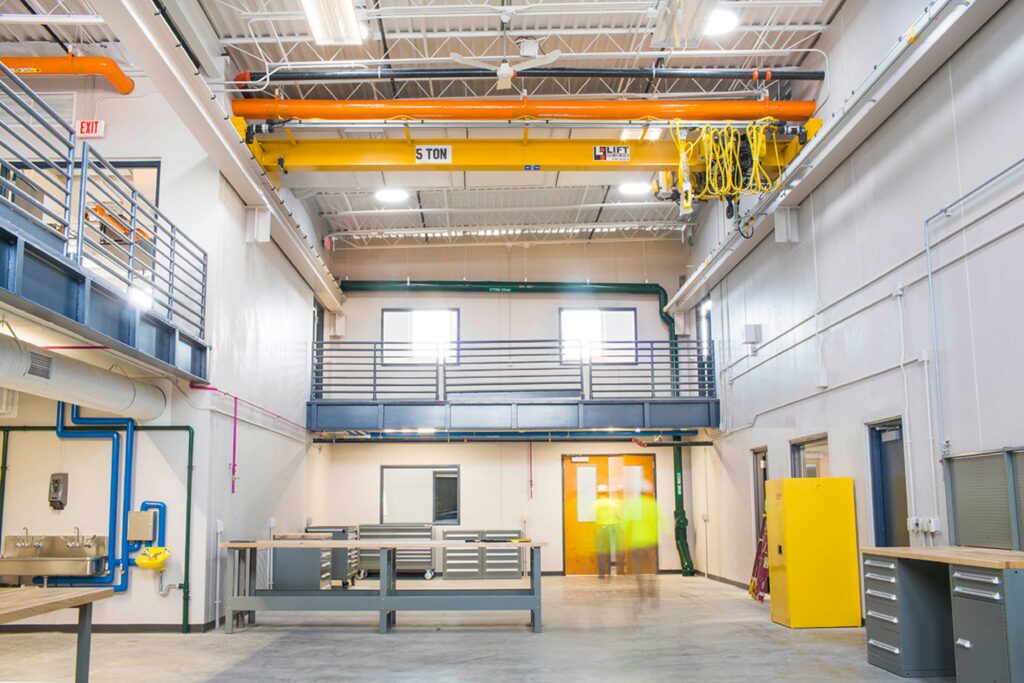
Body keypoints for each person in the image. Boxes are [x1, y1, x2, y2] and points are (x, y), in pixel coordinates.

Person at [623, 480, 660, 600]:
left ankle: (641, 591)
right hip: (651, 540)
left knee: (638, 566)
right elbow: (662, 522)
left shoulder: (633, 505)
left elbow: (625, 523)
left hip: (637, 540)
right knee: (651, 565)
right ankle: (652, 588)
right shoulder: (653, 504)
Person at [592, 484, 622, 578]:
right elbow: (618, 515)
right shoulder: (612, 502)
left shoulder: (596, 503)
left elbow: (593, 514)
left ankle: (601, 574)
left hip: (601, 527)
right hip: (611, 528)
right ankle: (609, 572)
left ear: (598, 493)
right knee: (608, 550)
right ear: (607, 493)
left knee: (600, 551)